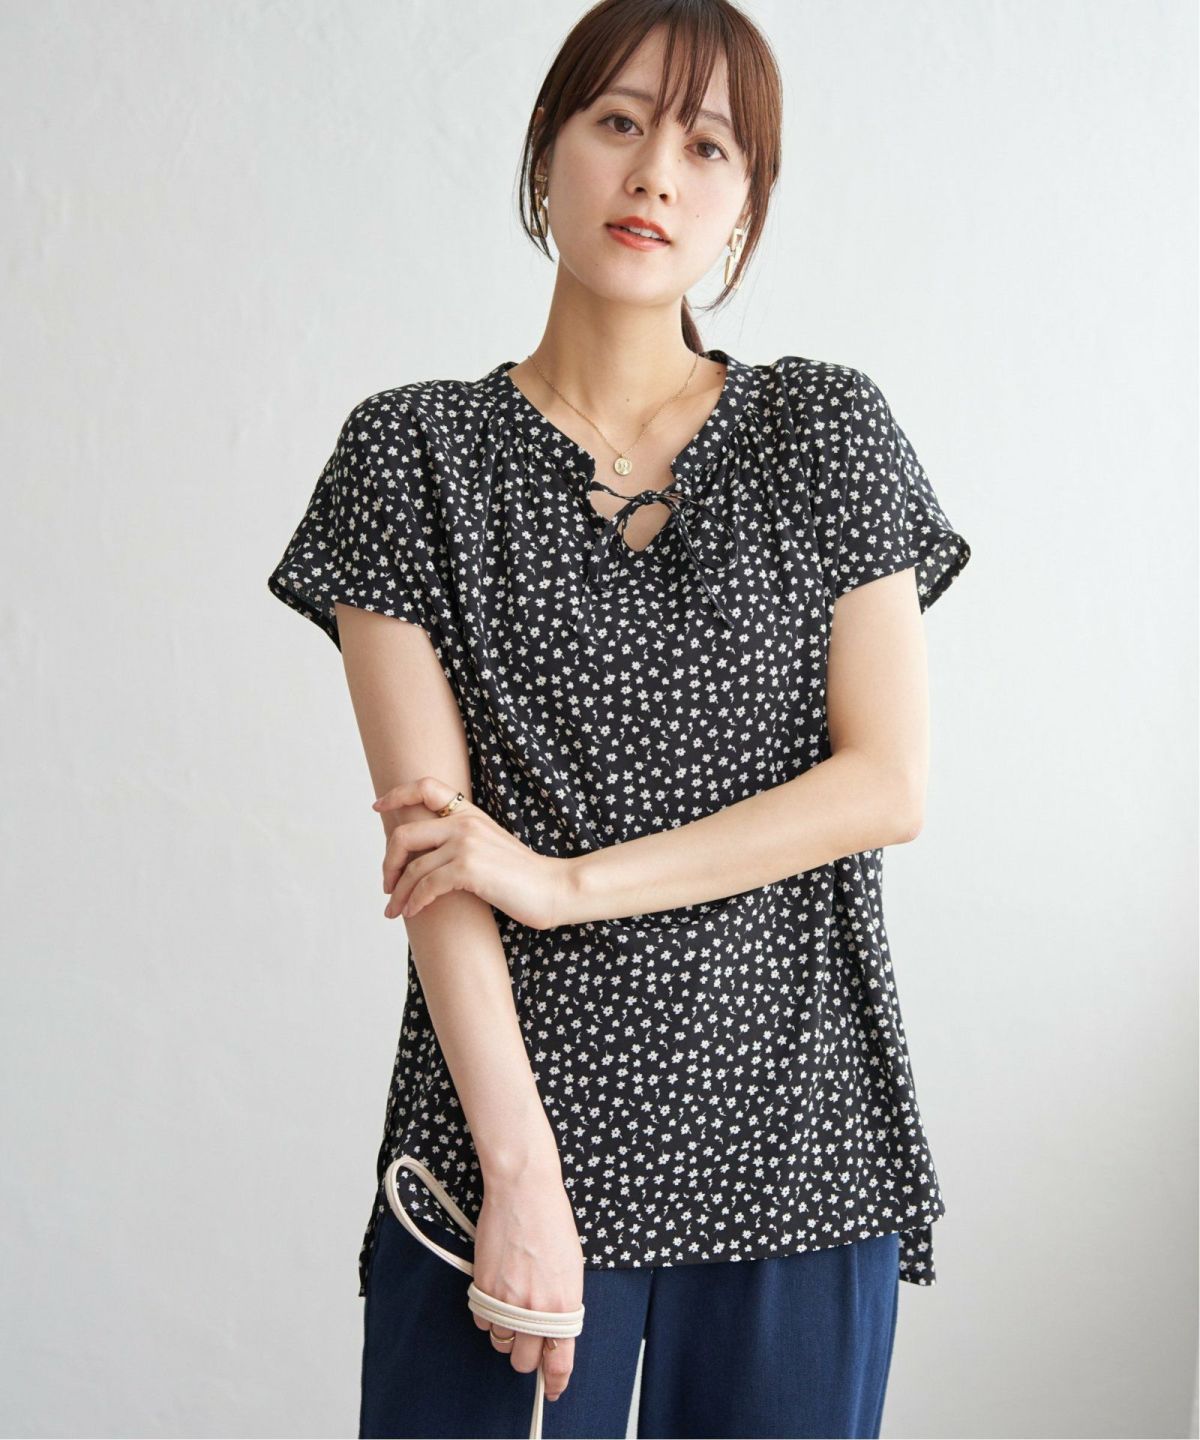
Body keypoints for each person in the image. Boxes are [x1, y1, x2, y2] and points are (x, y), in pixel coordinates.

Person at [266, 1, 972, 1436]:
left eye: (708, 146)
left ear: (747, 202)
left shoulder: (827, 432)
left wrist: (566, 882)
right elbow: (435, 855)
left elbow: (885, 783)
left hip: (795, 1148)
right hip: (503, 1159)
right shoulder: (413, 454)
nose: (656, 173)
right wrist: (521, 1177)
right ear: (548, 150)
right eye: (621, 122)